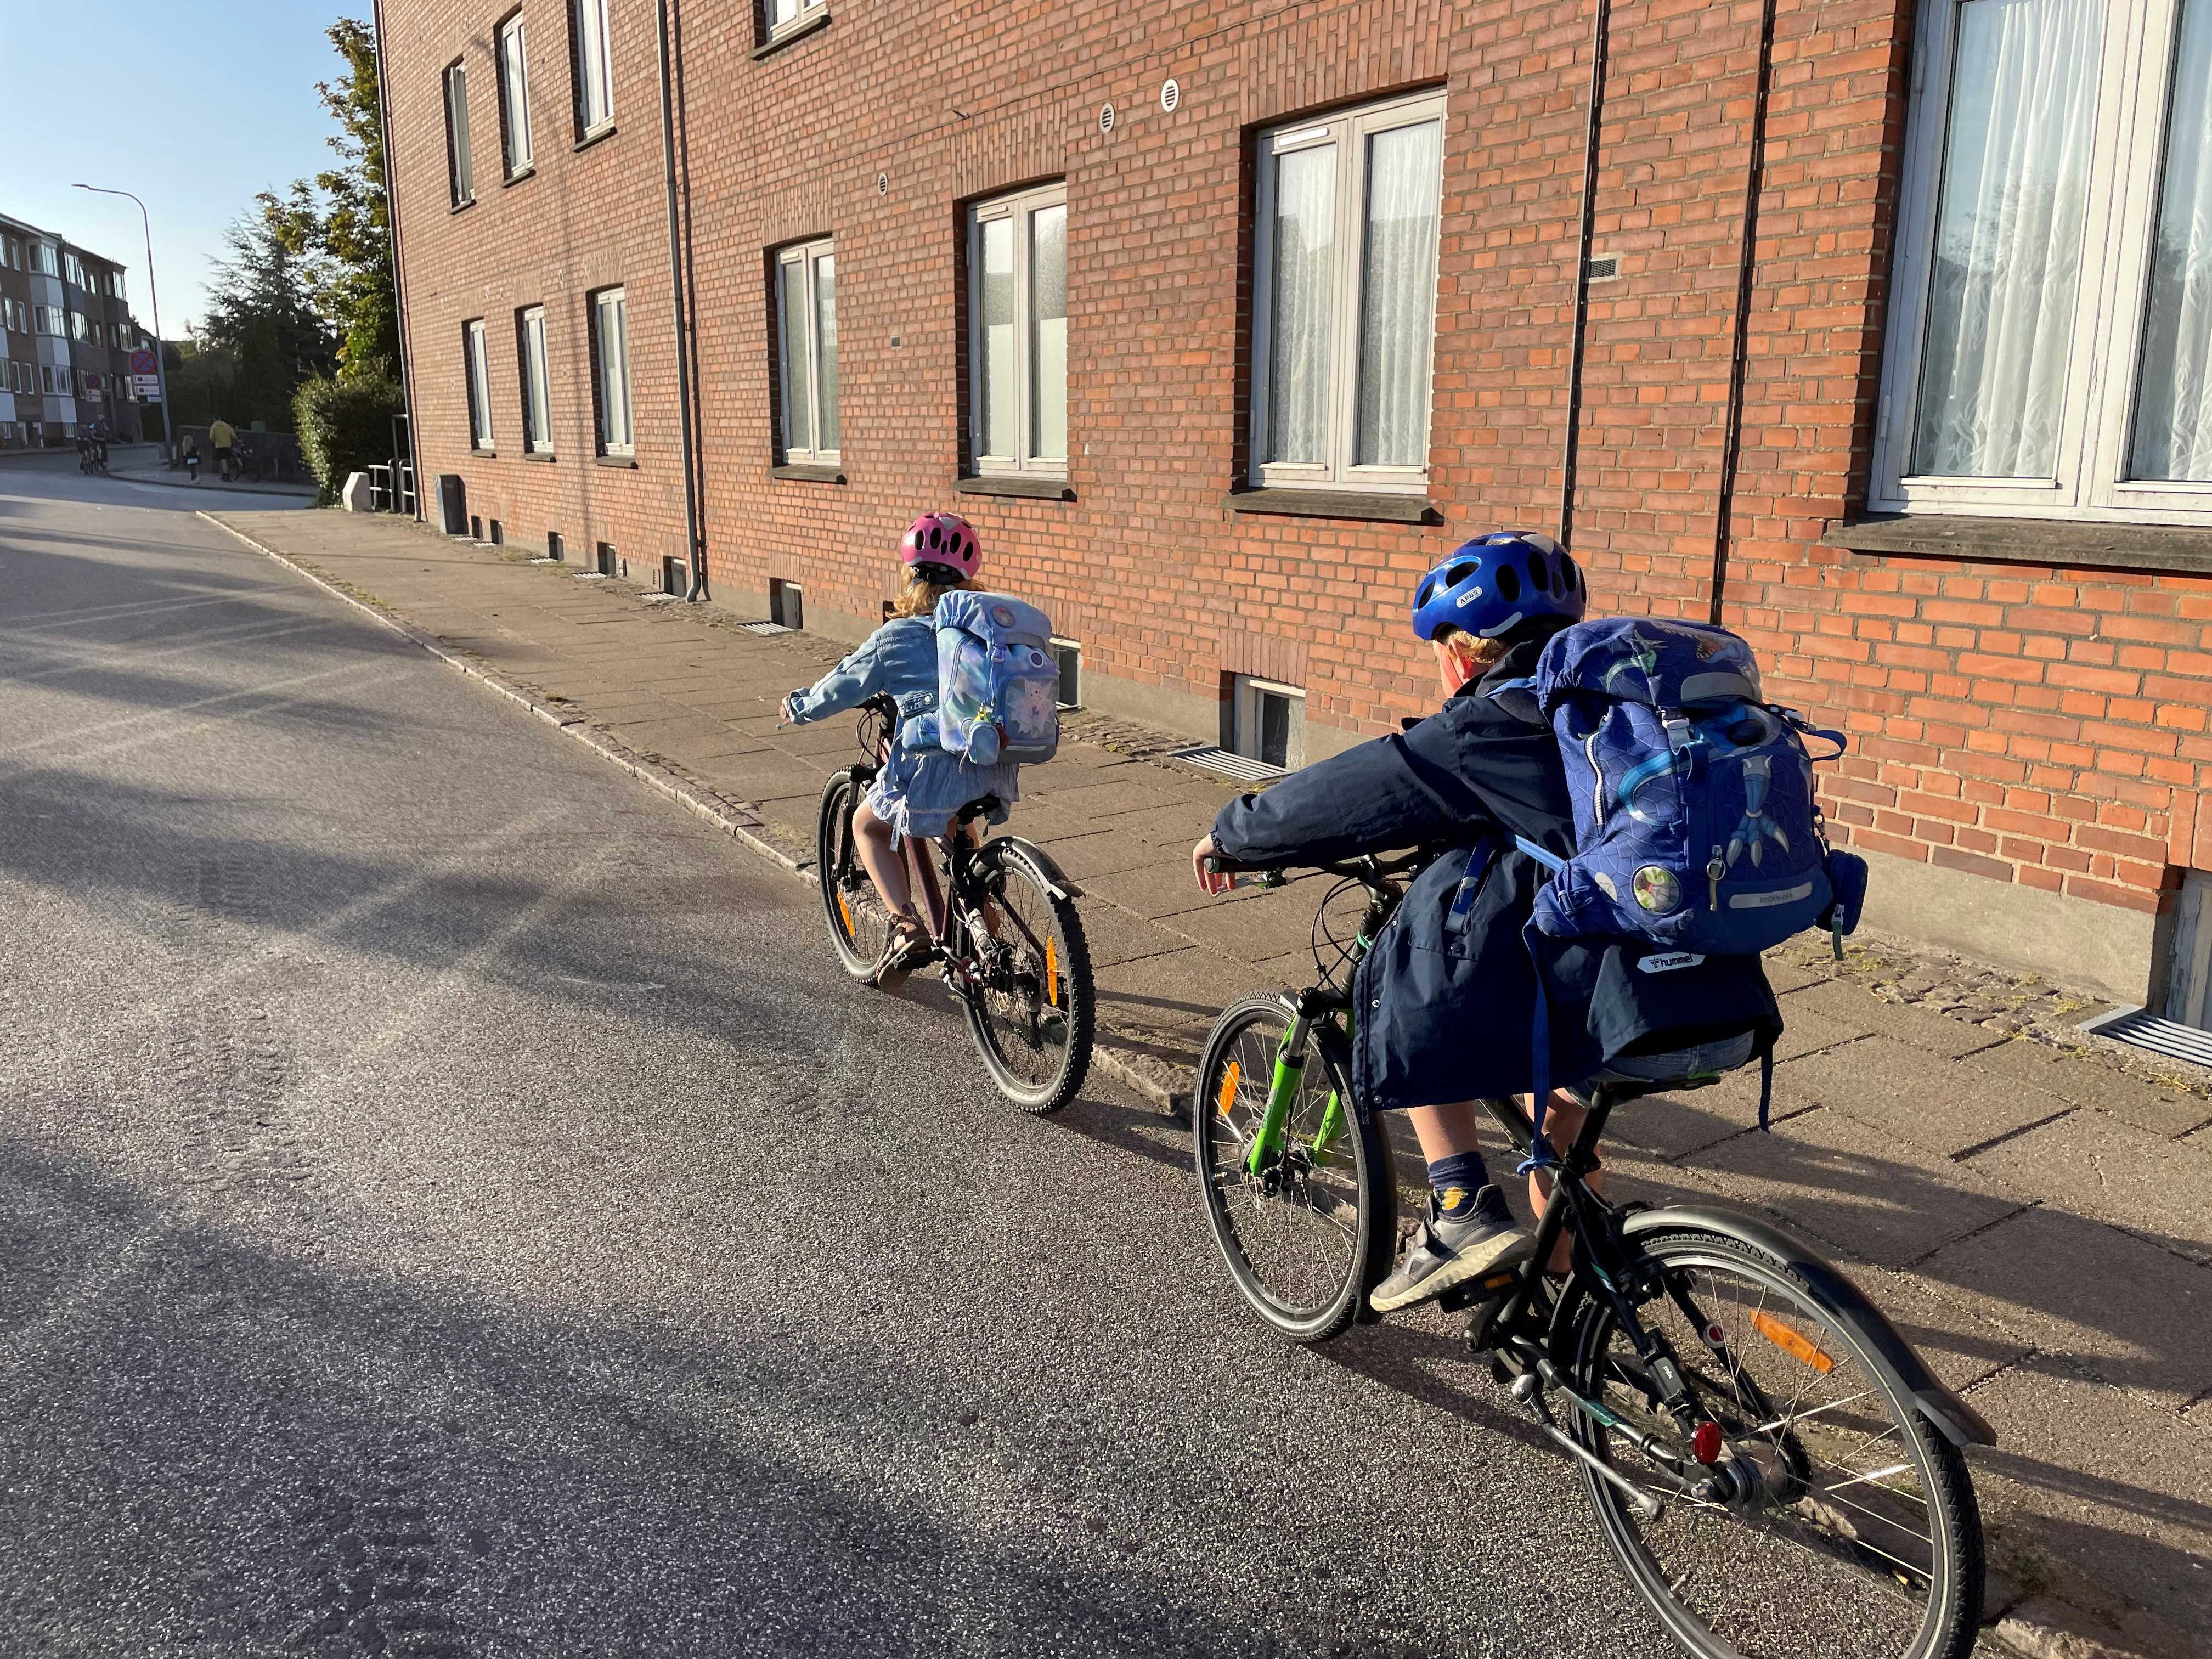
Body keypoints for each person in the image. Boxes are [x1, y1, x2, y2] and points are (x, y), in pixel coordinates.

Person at [1191, 532, 1780, 1313]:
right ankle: (1585, 1315)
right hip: (1709, 994)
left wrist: (1234, 833)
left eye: (1439, 648)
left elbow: (1356, 789)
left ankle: (1462, 1208)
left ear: (1464, 652)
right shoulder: (1614, 710)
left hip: (1605, 1002)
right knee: (1558, 1131)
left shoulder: (1491, 718)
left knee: (1405, 990)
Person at [781, 512, 1025, 990]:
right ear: (968, 578)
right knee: (962, 840)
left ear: (911, 577)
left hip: (931, 767)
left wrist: (798, 707)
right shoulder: (985, 629)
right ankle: (983, 941)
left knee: (866, 825)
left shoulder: (895, 638)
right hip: (993, 762)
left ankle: (907, 925)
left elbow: (840, 687)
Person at [208, 417, 236, 482]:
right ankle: (224, 476)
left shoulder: (214, 427)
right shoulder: (227, 426)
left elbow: (211, 437)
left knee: (222, 460)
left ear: (214, 420)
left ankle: (226, 476)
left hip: (220, 446)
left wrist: (216, 440)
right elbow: (234, 435)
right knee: (227, 460)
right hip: (228, 446)